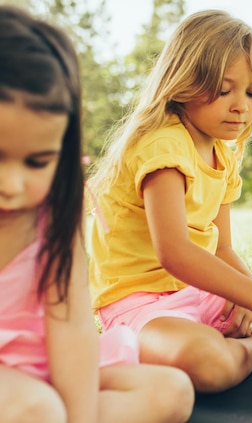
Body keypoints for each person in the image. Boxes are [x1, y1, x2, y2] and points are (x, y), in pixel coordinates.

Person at [87, 9, 252, 393]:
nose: (241, 106)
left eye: (251, 93)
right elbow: (175, 252)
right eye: (224, 89)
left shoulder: (222, 155)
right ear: (182, 85)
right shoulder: (162, 148)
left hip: (199, 292)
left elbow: (222, 247)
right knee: (210, 364)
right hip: (141, 307)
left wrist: (250, 298)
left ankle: (238, 339)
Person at [0, 6, 194, 422]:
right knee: (39, 409)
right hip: (17, 388)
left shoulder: (51, 215)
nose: (12, 185)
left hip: (37, 362)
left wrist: (80, 414)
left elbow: (70, 325)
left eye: (37, 162)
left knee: (171, 391)